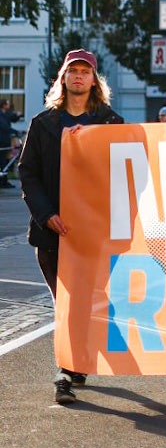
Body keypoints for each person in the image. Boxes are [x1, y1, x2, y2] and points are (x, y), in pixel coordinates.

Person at [18, 50, 123, 404]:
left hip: (94, 233)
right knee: (65, 303)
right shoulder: (43, 123)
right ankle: (67, 369)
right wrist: (45, 213)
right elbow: (27, 173)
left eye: (85, 72)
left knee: (84, 302)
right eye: (72, 71)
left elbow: (128, 170)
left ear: (94, 79)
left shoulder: (111, 123)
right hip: (51, 232)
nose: (78, 77)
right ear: (62, 78)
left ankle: (74, 365)